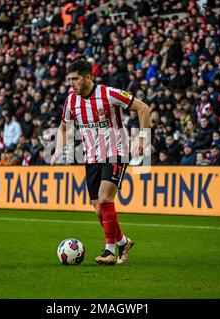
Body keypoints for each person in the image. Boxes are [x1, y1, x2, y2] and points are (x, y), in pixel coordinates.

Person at [51, 60, 150, 265]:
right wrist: (59, 149)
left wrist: (142, 138)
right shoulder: (71, 101)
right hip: (91, 158)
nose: (72, 84)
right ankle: (123, 242)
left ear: (88, 77)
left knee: (105, 199)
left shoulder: (109, 94)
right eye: (70, 79)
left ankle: (109, 252)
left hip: (116, 152)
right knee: (99, 210)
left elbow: (143, 108)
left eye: (75, 79)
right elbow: (63, 127)